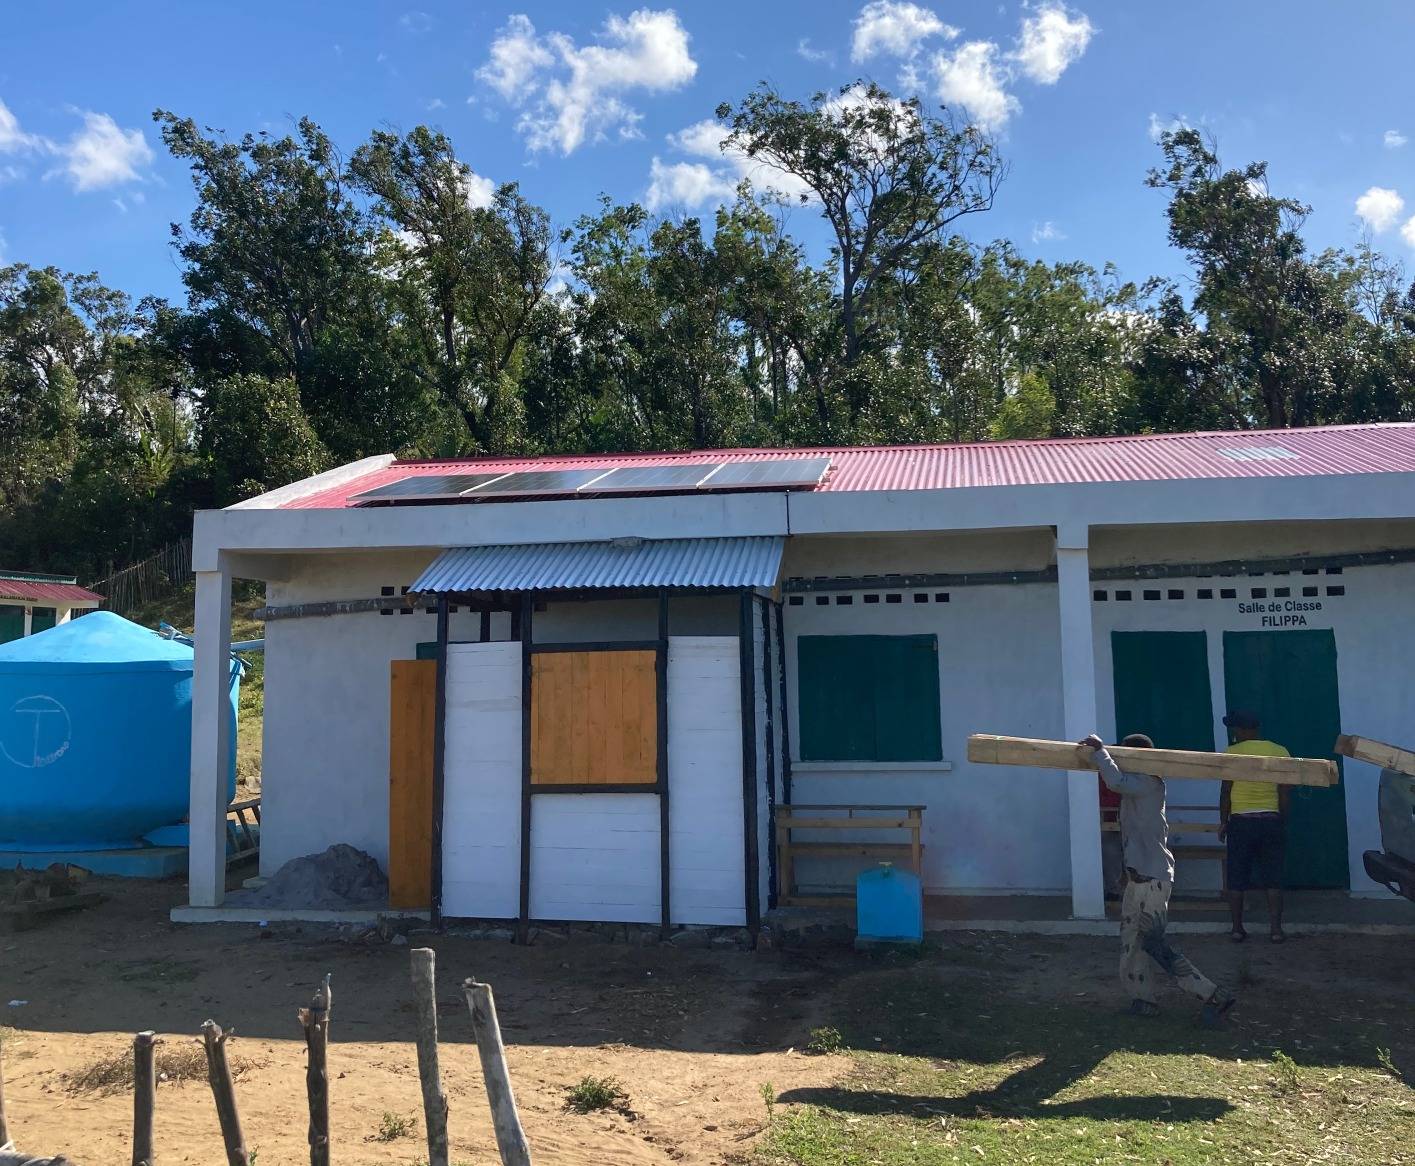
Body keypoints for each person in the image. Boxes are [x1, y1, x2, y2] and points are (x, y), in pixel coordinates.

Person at [1082, 732, 1235, 1023]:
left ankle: (1212, 994)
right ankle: (1143, 999)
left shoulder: (1149, 783)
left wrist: (1101, 752)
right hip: (1140, 878)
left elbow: (1114, 781)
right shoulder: (1137, 786)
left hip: (1153, 878)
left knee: (1153, 942)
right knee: (1131, 941)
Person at [1219, 710, 1290, 943]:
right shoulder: (1279, 751)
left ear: (1241, 730)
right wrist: (1282, 819)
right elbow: (1284, 791)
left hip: (1241, 821)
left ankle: (1237, 929)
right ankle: (1276, 930)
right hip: (1270, 819)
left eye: (1235, 729)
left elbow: (1226, 791)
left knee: (1237, 878)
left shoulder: (1232, 753)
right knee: (1273, 878)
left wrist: (1223, 822)